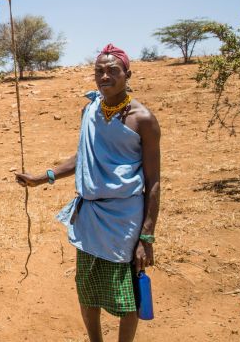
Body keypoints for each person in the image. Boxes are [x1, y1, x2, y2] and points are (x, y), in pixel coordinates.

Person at [14, 44, 161, 342]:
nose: (104, 76)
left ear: (127, 74)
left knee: (127, 293)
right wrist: (42, 177)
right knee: (87, 288)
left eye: (112, 70)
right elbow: (82, 157)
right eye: (99, 71)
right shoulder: (90, 109)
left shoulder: (143, 119)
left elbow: (154, 181)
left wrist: (146, 237)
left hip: (124, 219)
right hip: (90, 216)